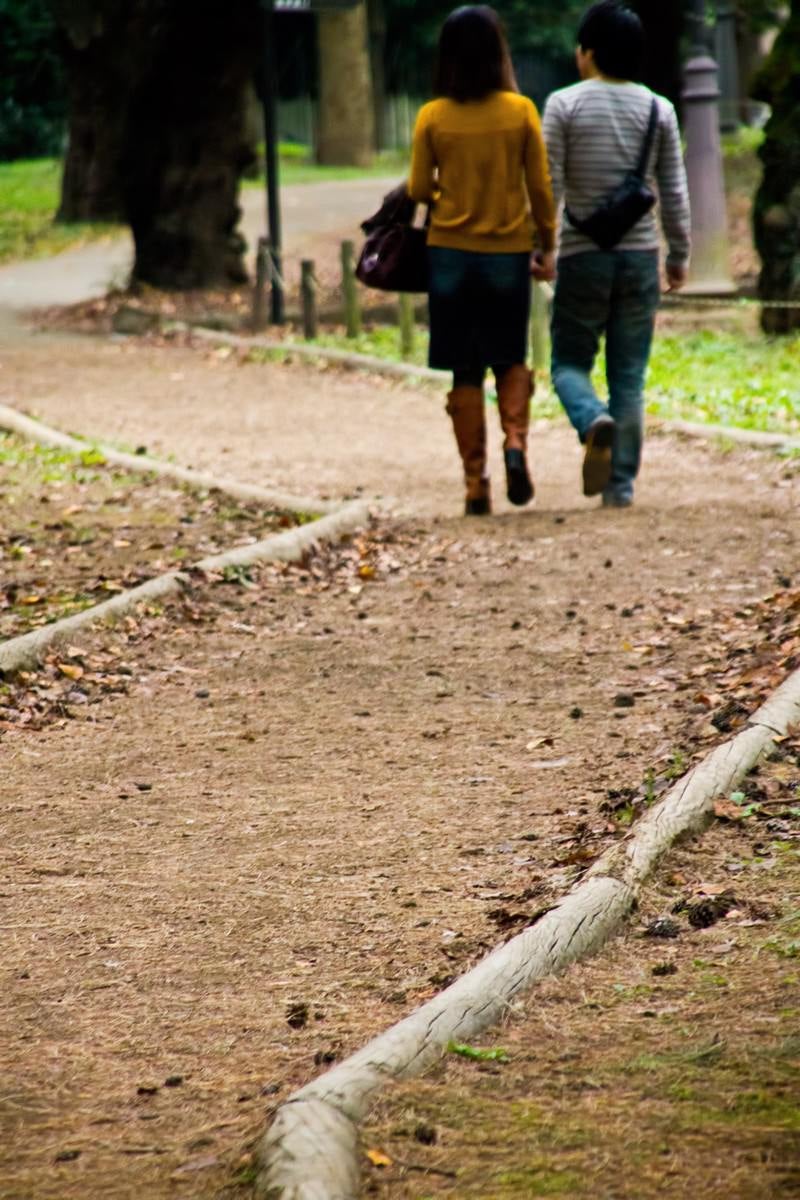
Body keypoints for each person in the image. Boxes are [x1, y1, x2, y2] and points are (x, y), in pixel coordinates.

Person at [407, 5, 557, 515]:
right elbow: (539, 186)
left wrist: (448, 189)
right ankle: (515, 444)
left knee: (463, 370)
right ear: (498, 54)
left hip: (448, 255)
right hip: (506, 254)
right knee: (509, 357)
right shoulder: (520, 112)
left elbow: (416, 188)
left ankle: (476, 482)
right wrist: (548, 242)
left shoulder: (432, 116)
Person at [541, 0, 690, 507]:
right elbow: (673, 189)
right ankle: (620, 487)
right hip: (639, 256)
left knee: (567, 363)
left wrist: (542, 247)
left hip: (581, 256)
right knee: (629, 375)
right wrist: (679, 254)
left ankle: (590, 418)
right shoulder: (659, 109)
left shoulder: (563, 104)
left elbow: (550, 186)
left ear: (589, 52)